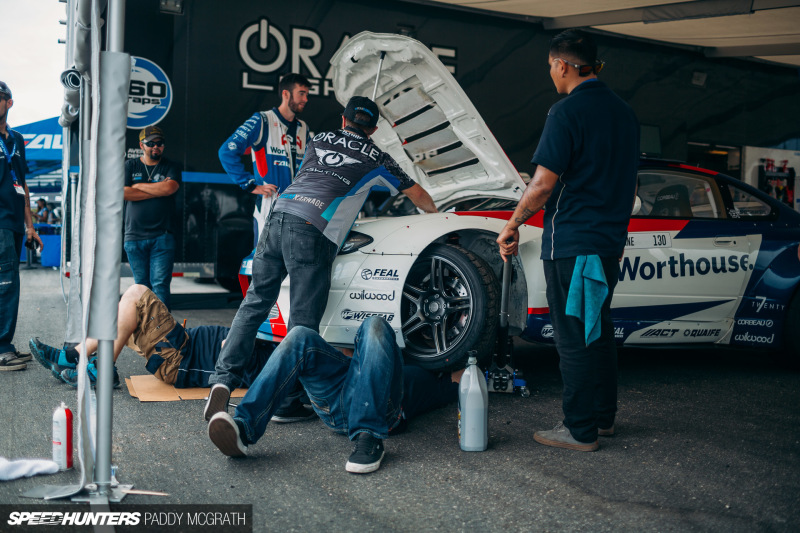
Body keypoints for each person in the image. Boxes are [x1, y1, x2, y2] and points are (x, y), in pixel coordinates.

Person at [204, 95, 438, 426]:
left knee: (255, 302)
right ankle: (287, 403)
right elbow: (417, 194)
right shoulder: (378, 158)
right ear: (372, 128)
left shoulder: (319, 138)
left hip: (279, 213)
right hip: (313, 230)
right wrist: (441, 218)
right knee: (303, 327)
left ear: (343, 121)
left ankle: (222, 380)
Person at [496, 30, 639, 452]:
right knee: (598, 328)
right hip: (609, 242)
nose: (551, 74)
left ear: (562, 64)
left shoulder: (566, 111)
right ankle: (603, 419)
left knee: (573, 334)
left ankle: (580, 429)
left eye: (551, 67)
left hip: (575, 243)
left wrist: (512, 223)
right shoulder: (625, 113)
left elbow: (541, 185)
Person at [207, 317, 459, 474]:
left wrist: (462, 376)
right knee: (300, 335)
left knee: (375, 324)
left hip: (379, 408)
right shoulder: (405, 359)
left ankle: (369, 436)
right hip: (336, 399)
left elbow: (453, 384)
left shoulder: (424, 377)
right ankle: (243, 428)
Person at [29, 284, 273, 390]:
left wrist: (247, 341)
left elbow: (235, 358)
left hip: (180, 357)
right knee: (126, 310)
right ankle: (74, 355)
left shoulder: (272, 362)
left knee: (137, 294)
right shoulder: (276, 344)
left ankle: (101, 369)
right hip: (183, 344)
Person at [218, 73, 312, 245]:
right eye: (301, 93)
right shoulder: (262, 120)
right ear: (286, 94)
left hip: (297, 207)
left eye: (307, 94)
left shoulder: (303, 128)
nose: (306, 99)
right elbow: (226, 151)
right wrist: (250, 184)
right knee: (265, 265)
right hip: (270, 205)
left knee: (292, 266)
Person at [0, 80, 42, 371]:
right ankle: (2, 349)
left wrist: (30, 226)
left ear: (9, 103)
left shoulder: (16, 139)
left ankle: (5, 344)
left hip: (14, 223)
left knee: (9, 285)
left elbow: (22, 184)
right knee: (5, 285)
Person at [123, 126, 182, 310]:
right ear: (142, 145)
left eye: (160, 143)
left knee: (160, 286)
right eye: (151, 144)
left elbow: (169, 188)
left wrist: (138, 185)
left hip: (162, 237)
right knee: (141, 287)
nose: (156, 147)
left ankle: (162, 332)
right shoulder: (130, 165)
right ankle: (145, 330)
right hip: (134, 237)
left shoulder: (170, 166)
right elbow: (123, 192)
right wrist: (157, 189)